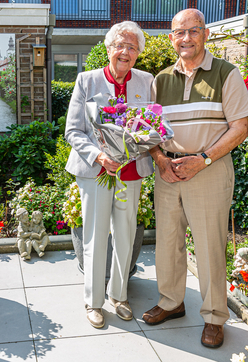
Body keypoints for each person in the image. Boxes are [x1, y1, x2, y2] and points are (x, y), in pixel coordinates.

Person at [141, 8, 248, 348]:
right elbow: (149, 132)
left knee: (208, 246)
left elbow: (240, 128)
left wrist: (202, 159)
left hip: (208, 170)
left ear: (205, 34)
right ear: (171, 37)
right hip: (168, 173)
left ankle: (214, 317)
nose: (186, 38)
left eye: (193, 30)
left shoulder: (225, 73)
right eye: (179, 32)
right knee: (167, 242)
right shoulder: (160, 80)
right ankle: (171, 302)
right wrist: (160, 159)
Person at [65, 21, 154, 328]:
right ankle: (93, 301)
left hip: (131, 172)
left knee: (126, 236)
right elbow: (73, 131)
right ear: (108, 48)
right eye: (119, 45)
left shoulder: (146, 81)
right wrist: (100, 155)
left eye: (132, 47)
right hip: (95, 171)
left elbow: (152, 127)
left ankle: (119, 295)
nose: (125, 52)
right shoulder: (86, 80)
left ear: (139, 52)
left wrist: (140, 145)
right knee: (94, 236)